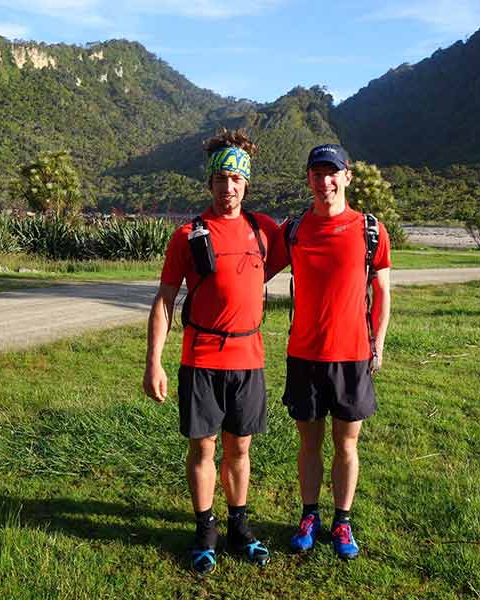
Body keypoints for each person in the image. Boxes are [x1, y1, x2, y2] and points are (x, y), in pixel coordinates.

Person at [142, 129, 278, 575]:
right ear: (210, 183)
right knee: (203, 450)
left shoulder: (264, 231)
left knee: (240, 449)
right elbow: (163, 301)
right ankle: (205, 532)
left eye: (236, 179)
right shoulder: (188, 235)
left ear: (247, 184)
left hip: (249, 361)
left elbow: (316, 251)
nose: (228, 188)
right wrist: (154, 364)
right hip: (201, 360)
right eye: (221, 179)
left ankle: (239, 529)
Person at [271, 143, 392, 560]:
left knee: (347, 444)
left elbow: (382, 290)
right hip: (304, 353)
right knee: (309, 444)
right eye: (316, 173)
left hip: (352, 355)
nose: (324, 181)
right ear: (309, 179)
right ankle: (309, 516)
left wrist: (377, 342)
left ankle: (342, 520)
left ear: (346, 177)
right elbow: (253, 267)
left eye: (332, 173)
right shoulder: (295, 228)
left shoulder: (369, 229)